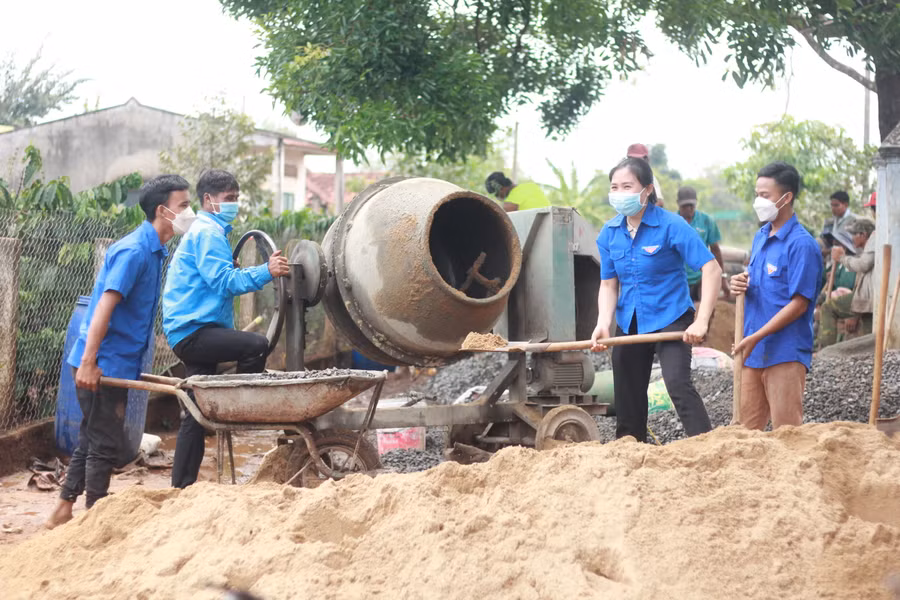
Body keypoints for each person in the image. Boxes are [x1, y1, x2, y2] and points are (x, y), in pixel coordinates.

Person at [45, 175, 192, 529]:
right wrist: (89, 362)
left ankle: (63, 510)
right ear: (162, 210)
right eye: (184, 205)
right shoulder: (135, 251)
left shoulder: (156, 250)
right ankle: (95, 517)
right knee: (105, 443)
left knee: (94, 436)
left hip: (117, 362)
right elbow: (103, 310)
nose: (190, 212)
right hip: (102, 363)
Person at [163, 169, 290, 488]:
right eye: (228, 199)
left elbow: (216, 276)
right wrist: (267, 271)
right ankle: (236, 408)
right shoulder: (207, 232)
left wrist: (246, 271)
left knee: (194, 411)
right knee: (256, 346)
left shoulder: (209, 232)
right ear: (208, 200)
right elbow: (223, 282)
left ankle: (182, 488)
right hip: (193, 332)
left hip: (190, 329)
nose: (234, 204)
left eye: (236, 198)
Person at [591, 158, 721, 442]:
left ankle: (706, 446)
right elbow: (608, 283)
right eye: (615, 187)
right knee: (627, 388)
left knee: (677, 383)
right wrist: (603, 322)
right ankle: (631, 448)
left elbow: (711, 268)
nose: (620, 193)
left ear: (647, 190)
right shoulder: (609, 233)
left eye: (628, 186)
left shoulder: (671, 225)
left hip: (671, 316)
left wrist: (701, 321)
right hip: (631, 320)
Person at [730, 162, 823, 430]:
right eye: (757, 194)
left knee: (787, 433)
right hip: (753, 351)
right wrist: (740, 283)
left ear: (787, 197)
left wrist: (756, 336)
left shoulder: (802, 245)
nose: (758, 201)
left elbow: (799, 304)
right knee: (746, 432)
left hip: (785, 353)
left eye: (765, 195)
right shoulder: (761, 236)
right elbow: (757, 284)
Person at [817, 218, 876, 348]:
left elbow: (863, 265)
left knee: (828, 307)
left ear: (863, 235)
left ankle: (825, 351)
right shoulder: (866, 248)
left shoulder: (873, 242)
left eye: (854, 234)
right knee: (869, 336)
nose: (852, 238)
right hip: (869, 299)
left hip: (870, 298)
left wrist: (842, 258)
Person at [676, 186, 730, 302]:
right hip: (679, 280)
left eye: (692, 205)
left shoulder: (706, 221)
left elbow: (715, 249)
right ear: (678, 204)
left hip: (701, 279)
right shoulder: (672, 222)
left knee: (704, 312)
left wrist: (723, 278)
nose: (689, 208)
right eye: (685, 206)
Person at [484, 171, 550, 212]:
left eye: (497, 195)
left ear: (501, 189)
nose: (498, 198)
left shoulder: (509, 204)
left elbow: (502, 221)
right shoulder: (531, 186)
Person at [626, 143, 666, 209]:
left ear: (646, 160)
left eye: (638, 160)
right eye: (632, 159)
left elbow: (659, 202)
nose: (635, 163)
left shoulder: (649, 177)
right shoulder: (623, 177)